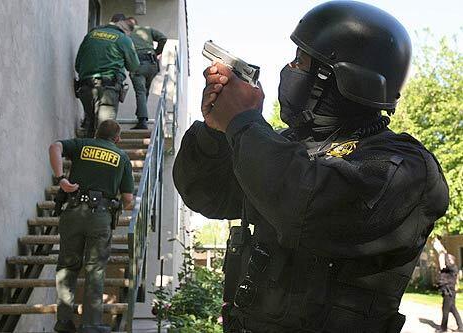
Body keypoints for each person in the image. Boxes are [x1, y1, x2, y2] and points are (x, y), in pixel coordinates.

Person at [173, 2, 449, 333]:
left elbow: (305, 205)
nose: (288, 69)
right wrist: (216, 130)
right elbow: (205, 193)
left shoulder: (405, 169)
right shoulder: (286, 148)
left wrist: (243, 122)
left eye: (300, 61)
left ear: (338, 77)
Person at [49, 119, 134, 333]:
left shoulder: (82, 144)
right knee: (95, 270)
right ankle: (91, 324)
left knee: (67, 267)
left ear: (97, 134)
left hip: (73, 211)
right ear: (117, 139)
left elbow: (55, 146)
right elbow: (127, 198)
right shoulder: (121, 157)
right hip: (101, 217)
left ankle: (63, 321)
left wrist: (61, 179)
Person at [75, 15, 140, 138]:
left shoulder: (91, 35)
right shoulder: (123, 39)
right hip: (108, 90)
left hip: (85, 88)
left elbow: (78, 65)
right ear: (127, 31)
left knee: (89, 126)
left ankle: (84, 154)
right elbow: (134, 66)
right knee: (105, 131)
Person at [126, 16, 167, 129]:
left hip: (138, 65)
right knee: (145, 92)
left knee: (140, 92)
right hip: (152, 65)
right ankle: (141, 117)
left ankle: (142, 121)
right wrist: (157, 52)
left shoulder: (126, 33)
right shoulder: (147, 29)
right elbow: (163, 38)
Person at [436, 247, 463, 332]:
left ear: (452, 261)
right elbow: (442, 269)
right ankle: (461, 327)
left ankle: (443, 328)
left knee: (445, 310)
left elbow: (447, 263)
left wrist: (443, 253)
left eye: (448, 259)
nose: (447, 260)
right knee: (453, 309)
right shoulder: (447, 269)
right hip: (448, 292)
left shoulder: (453, 268)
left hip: (449, 292)